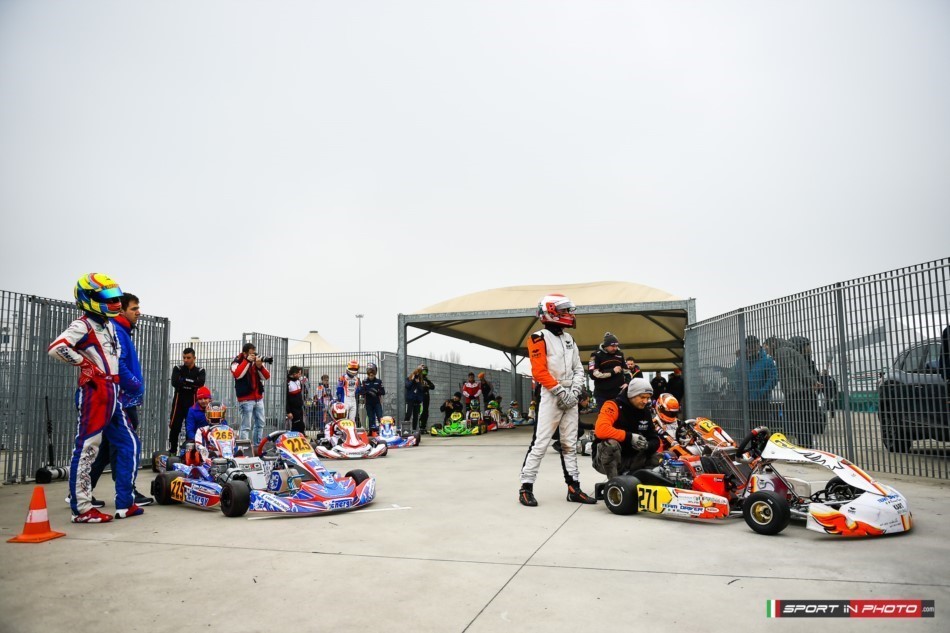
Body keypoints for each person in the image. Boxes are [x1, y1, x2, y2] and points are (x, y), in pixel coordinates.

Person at [48, 273, 141, 523]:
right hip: (94, 392)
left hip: (113, 392)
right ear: (89, 298)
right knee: (88, 448)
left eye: (115, 297)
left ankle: (125, 502)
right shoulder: (82, 325)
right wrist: (84, 363)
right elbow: (57, 347)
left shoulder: (109, 325)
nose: (114, 302)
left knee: (130, 444)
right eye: (107, 298)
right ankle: (81, 508)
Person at [518, 293, 596, 507]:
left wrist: (575, 392)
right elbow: (539, 371)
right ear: (551, 311)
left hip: (571, 395)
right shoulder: (538, 338)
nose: (569, 313)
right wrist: (561, 392)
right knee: (540, 443)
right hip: (549, 394)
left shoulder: (570, 339)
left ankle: (574, 488)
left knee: (569, 444)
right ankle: (525, 488)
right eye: (564, 310)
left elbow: (579, 369)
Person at [89, 292, 152, 507]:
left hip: (119, 399)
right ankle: (127, 493)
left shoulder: (120, 330)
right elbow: (119, 364)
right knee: (127, 446)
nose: (138, 312)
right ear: (121, 310)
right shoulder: (117, 331)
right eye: (134, 308)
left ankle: (81, 491)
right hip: (122, 400)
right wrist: (135, 384)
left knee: (107, 449)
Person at [592, 378, 660, 479]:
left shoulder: (645, 411)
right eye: (642, 397)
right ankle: (614, 482)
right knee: (611, 444)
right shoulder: (612, 405)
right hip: (606, 458)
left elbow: (654, 438)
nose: (645, 401)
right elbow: (601, 430)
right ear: (632, 394)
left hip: (634, 458)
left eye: (648, 397)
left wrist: (647, 445)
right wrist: (630, 437)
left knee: (663, 458)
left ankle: (641, 480)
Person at [765, 336, 822, 448]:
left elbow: (793, 369)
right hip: (802, 392)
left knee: (798, 424)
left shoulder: (781, 352)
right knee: (804, 425)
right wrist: (812, 381)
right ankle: (806, 447)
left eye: (767, 349)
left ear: (773, 344)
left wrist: (811, 381)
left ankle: (804, 449)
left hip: (796, 393)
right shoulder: (790, 350)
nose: (768, 353)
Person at [231, 342, 271, 448]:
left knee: (260, 424)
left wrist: (260, 366)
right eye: (251, 354)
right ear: (245, 353)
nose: (254, 356)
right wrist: (247, 361)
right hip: (245, 399)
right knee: (246, 426)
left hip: (258, 398)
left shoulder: (255, 363)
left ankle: (257, 447)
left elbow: (266, 377)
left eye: (254, 353)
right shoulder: (236, 362)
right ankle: (244, 448)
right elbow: (237, 374)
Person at [168, 347, 206, 453]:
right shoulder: (178, 368)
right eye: (184, 357)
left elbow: (200, 383)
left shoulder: (200, 370)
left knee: (191, 427)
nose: (185, 360)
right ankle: (172, 451)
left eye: (188, 358)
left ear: (194, 358)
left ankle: (188, 452)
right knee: (175, 427)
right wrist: (192, 382)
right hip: (178, 403)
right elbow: (175, 382)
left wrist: (184, 380)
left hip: (192, 403)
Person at [744, 336, 778, 426]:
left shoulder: (767, 360)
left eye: (753, 345)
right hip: (747, 400)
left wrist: (762, 392)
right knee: (750, 426)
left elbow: (773, 378)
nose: (751, 348)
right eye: (749, 345)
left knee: (762, 425)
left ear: (758, 345)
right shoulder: (743, 361)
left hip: (762, 401)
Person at [588, 332, 626, 411]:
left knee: (621, 416)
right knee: (604, 416)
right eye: (612, 346)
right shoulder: (595, 355)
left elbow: (627, 371)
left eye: (616, 346)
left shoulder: (620, 354)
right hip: (602, 395)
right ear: (605, 345)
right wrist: (612, 371)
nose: (615, 348)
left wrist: (627, 382)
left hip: (618, 394)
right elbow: (593, 374)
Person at [183, 386, 214, 456]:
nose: (203, 401)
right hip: (198, 440)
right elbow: (189, 430)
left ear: (210, 399)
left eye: (205, 398)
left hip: (214, 439)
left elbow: (223, 425)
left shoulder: (216, 409)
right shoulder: (192, 410)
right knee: (186, 449)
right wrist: (198, 440)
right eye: (200, 399)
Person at [362, 362, 386, 433]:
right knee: (371, 418)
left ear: (375, 373)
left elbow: (383, 392)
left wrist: (377, 392)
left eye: (372, 373)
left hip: (377, 403)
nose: (371, 375)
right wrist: (368, 392)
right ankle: (371, 432)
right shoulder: (364, 382)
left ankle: (383, 431)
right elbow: (361, 391)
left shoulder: (379, 381)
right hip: (368, 404)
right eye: (369, 373)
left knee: (380, 417)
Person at [404, 365, 425, 429]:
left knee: (415, 416)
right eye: (415, 375)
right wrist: (412, 380)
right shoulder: (408, 379)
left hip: (417, 400)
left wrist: (418, 382)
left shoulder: (420, 380)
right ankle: (405, 429)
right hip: (410, 399)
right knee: (408, 414)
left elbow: (422, 389)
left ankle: (414, 430)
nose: (416, 376)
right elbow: (407, 386)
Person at [286, 366, 305, 434]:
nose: (300, 375)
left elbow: (300, 393)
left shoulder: (298, 381)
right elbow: (286, 399)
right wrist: (288, 412)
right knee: (299, 425)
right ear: (294, 374)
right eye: (299, 374)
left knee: (299, 426)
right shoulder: (288, 383)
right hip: (293, 409)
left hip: (300, 408)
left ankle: (301, 436)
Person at [418, 364, 435, 431]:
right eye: (423, 371)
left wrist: (427, 386)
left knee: (426, 412)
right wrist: (423, 386)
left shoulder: (427, 380)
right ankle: (419, 426)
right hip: (420, 397)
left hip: (426, 396)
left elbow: (433, 386)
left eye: (426, 371)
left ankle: (423, 426)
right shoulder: (418, 379)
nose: (424, 373)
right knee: (420, 411)